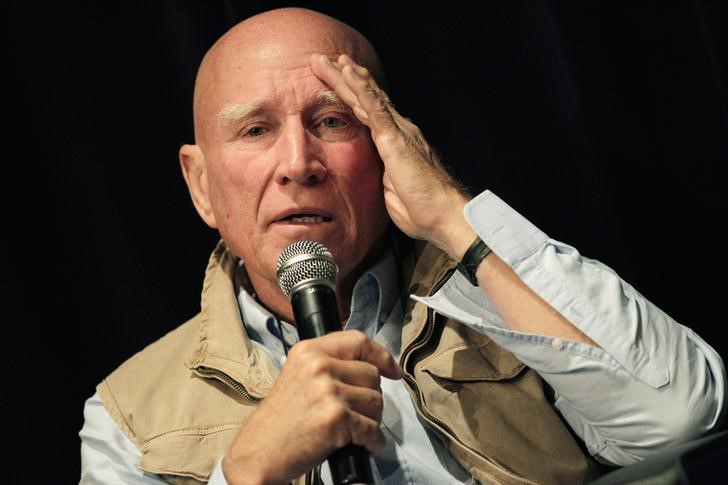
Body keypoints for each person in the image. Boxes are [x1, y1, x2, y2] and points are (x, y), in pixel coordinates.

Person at [79, 7, 726, 485]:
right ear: (201, 186)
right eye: (256, 129)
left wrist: (451, 212)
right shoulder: (128, 416)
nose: (298, 161)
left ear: (387, 146)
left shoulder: (508, 307)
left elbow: (682, 414)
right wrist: (246, 471)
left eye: (332, 121)